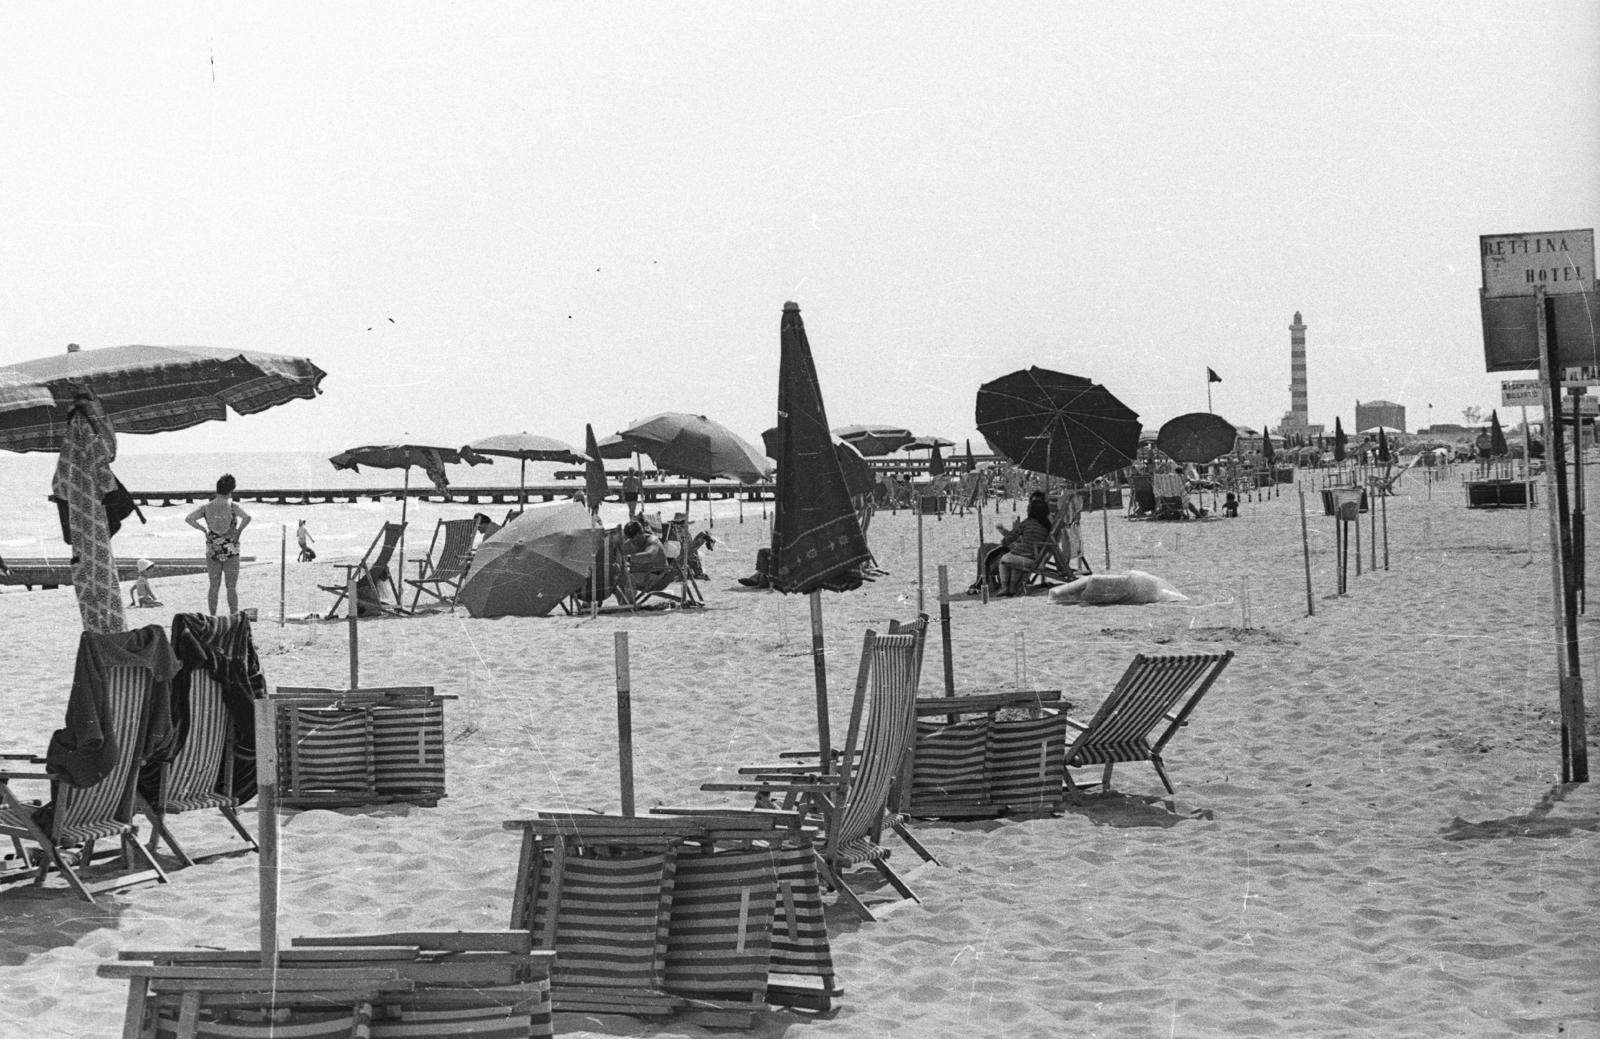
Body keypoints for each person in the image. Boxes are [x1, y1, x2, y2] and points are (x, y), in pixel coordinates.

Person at [185, 474, 250, 616]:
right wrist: (238, 532)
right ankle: (233, 615)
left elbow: (189, 518)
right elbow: (247, 517)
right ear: (230, 491)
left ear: (217, 490)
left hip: (213, 549)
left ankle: (213, 616)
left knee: (214, 586)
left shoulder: (206, 507)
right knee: (231, 587)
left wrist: (203, 529)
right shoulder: (233, 506)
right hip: (231, 549)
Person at [996, 498, 1052, 597]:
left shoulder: (1027, 522)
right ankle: (1012, 588)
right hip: (1036, 558)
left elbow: (1012, 536)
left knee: (1003, 561)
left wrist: (1003, 541)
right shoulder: (1047, 525)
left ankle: (1004, 587)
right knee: (1015, 561)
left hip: (1026, 558)